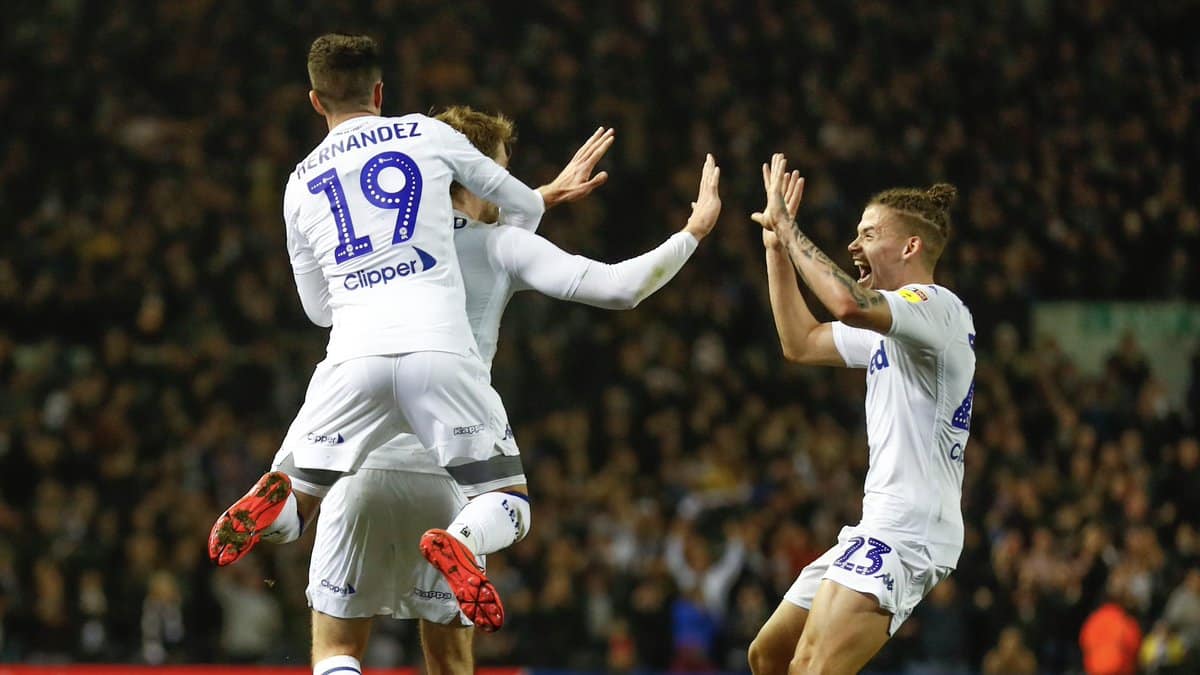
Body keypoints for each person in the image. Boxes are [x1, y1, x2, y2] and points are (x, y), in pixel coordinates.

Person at [207, 33, 612, 644]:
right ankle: (463, 538)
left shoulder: (298, 182)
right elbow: (515, 205)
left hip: (350, 357)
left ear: (316, 101)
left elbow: (318, 310)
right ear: (380, 91)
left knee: (303, 494)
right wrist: (535, 207)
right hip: (437, 350)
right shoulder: (426, 133)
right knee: (507, 499)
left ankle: (281, 508)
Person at [306, 106, 722, 675]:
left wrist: (540, 198)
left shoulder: (381, 248)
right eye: (500, 170)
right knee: (451, 654)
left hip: (363, 458)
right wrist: (693, 233)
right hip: (455, 467)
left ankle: (288, 495)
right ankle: (466, 541)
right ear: (477, 173)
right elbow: (619, 287)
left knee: (336, 652)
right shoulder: (501, 245)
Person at [746, 154, 976, 675]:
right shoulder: (893, 324)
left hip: (910, 527)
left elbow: (847, 305)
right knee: (771, 655)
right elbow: (800, 342)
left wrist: (792, 227)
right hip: (878, 522)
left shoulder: (934, 306)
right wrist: (776, 249)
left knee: (812, 668)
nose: (854, 245)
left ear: (910, 246)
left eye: (869, 234)